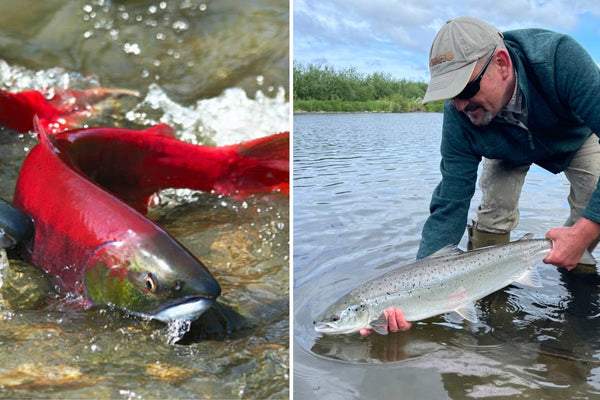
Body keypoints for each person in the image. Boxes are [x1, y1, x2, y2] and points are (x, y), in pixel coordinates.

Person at [360, 16, 600, 337]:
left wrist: (585, 229)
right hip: (506, 148)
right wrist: (413, 290)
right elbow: (450, 201)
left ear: (502, 64)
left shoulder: (558, 58)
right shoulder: (461, 115)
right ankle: (492, 306)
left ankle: (579, 294)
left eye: (466, 89)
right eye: (450, 95)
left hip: (575, 137)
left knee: (591, 209)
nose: (460, 105)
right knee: (493, 215)